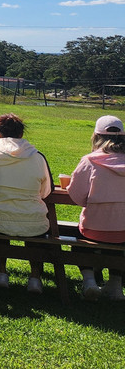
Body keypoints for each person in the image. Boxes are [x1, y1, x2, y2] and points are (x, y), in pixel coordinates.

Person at [0, 113, 53, 293]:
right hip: (34, 220)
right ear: (21, 134)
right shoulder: (37, 156)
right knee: (34, 228)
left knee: (0, 223)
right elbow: (45, 192)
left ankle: (1, 274)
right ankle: (35, 277)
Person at [66, 115, 125, 300]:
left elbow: (76, 196)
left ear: (96, 136)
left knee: (79, 239)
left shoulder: (89, 161)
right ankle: (115, 286)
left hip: (93, 229)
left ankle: (89, 281)